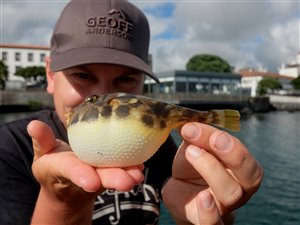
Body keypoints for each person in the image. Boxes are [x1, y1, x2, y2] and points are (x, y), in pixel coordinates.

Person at [0, 0, 263, 224]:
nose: (105, 97)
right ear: (50, 74)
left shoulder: (158, 146)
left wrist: (208, 212)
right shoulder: (11, 148)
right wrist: (61, 200)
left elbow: (187, 196)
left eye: (126, 81)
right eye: (82, 75)